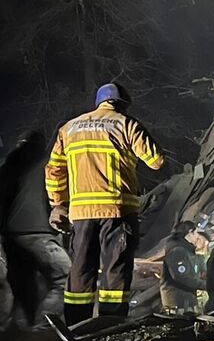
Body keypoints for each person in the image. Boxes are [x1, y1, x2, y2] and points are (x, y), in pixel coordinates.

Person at [45, 83, 164, 327]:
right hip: (117, 211)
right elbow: (156, 161)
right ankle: (109, 325)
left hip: (80, 215)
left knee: (80, 270)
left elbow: (54, 170)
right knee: (115, 271)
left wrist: (58, 204)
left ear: (99, 103)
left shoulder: (68, 129)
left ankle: (76, 325)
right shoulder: (126, 124)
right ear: (122, 104)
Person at [0, 130, 71, 328]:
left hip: (10, 238)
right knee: (66, 278)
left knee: (22, 290)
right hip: (39, 233)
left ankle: (17, 336)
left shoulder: (8, 166)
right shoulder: (48, 164)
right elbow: (56, 195)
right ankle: (42, 326)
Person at [161, 221, 205, 316]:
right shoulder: (177, 251)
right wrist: (206, 285)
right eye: (196, 232)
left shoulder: (185, 250)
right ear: (190, 232)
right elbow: (182, 277)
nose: (198, 237)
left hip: (184, 304)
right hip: (179, 306)